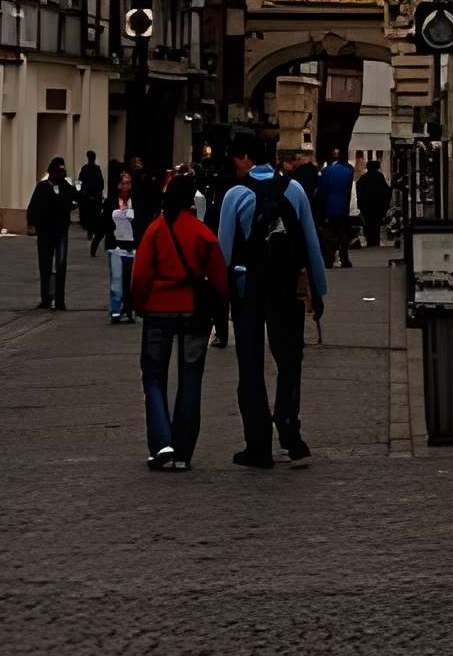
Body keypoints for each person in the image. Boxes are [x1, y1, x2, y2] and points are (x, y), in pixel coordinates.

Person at [218, 134, 327, 469]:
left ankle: (258, 444)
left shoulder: (235, 195)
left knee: (250, 365)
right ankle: (291, 433)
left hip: (248, 287)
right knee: (289, 361)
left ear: (246, 158)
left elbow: (223, 252)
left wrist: (219, 297)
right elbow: (311, 243)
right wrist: (317, 291)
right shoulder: (294, 190)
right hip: (285, 287)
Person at [130, 170, 229, 470]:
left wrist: (139, 304)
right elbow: (219, 280)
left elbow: (141, 274)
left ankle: (162, 444)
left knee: (153, 377)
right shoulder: (202, 233)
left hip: (158, 309)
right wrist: (220, 313)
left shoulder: (156, 229)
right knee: (191, 378)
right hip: (194, 311)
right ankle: (183, 451)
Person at [27, 157, 76, 310]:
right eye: (59, 171)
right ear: (52, 172)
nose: (62, 174)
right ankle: (46, 298)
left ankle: (60, 300)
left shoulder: (65, 186)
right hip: (45, 232)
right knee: (45, 265)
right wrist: (33, 224)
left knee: (60, 265)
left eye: (63, 171)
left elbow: (77, 197)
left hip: (61, 231)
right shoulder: (43, 187)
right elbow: (33, 207)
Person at [101, 169, 139, 322]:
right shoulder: (110, 202)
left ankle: (129, 310)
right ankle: (116, 311)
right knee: (117, 280)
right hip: (115, 246)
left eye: (129, 183)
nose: (126, 187)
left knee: (131, 280)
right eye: (123, 183)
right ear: (118, 185)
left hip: (132, 245)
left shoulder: (135, 202)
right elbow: (104, 222)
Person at [317, 147, 355, 269]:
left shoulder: (325, 172)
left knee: (329, 234)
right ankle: (344, 259)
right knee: (343, 234)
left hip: (329, 207)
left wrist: (321, 210)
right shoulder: (348, 171)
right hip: (343, 207)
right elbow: (349, 192)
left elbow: (322, 192)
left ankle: (329, 259)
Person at [356, 157, 390, 249]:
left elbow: (359, 190)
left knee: (368, 223)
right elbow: (386, 191)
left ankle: (369, 241)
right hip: (377, 205)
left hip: (366, 206)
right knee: (376, 224)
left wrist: (360, 205)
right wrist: (386, 205)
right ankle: (375, 241)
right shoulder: (379, 177)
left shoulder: (363, 178)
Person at [77, 149, 106, 244]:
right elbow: (101, 183)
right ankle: (93, 231)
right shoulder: (96, 169)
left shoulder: (85, 168)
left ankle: (91, 231)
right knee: (94, 214)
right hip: (94, 195)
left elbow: (81, 181)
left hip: (89, 195)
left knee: (90, 215)